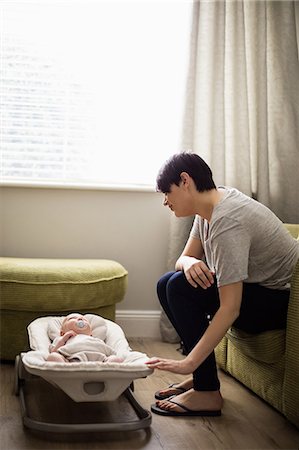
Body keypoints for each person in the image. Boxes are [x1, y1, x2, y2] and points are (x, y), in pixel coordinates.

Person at [146, 152, 299, 417]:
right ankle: (202, 379)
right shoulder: (210, 205)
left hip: (281, 304)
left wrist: (188, 362)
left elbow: (230, 308)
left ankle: (207, 392)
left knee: (179, 289)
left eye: (166, 193)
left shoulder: (228, 219)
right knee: (167, 283)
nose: (165, 202)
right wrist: (190, 263)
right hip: (260, 293)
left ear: (185, 181)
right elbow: (183, 259)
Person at [46, 313, 123, 363]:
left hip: (100, 362)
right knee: (53, 357)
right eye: (73, 318)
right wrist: (64, 338)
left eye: (85, 320)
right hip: (72, 361)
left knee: (116, 359)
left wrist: (113, 357)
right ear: (62, 332)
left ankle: (106, 372)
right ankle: (67, 372)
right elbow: (54, 351)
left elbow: (109, 352)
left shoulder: (96, 340)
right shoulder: (63, 339)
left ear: (91, 333)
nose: (80, 319)